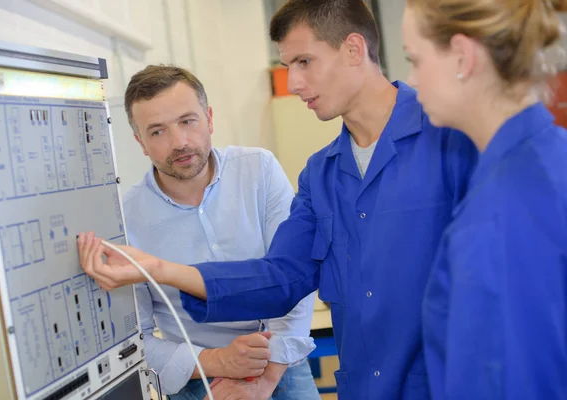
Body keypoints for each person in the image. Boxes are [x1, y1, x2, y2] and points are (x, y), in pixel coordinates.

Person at [78, 1, 477, 398]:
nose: (295, 83)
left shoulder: (451, 139)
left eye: (304, 62)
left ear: (354, 49)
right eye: (290, 67)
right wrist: (159, 269)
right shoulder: (321, 175)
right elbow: (280, 278)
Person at [114, 65, 320, 400]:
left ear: (209, 119)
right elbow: (132, 340)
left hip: (280, 362)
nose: (179, 142)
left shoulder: (259, 170)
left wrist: (265, 379)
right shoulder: (125, 218)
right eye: (157, 132)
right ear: (140, 142)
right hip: (195, 376)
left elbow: (294, 280)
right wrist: (218, 361)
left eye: (187, 121)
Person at [402, 0, 567, 398]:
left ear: (463, 56)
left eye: (415, 59)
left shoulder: (495, 220)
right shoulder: (552, 156)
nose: (410, 79)